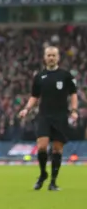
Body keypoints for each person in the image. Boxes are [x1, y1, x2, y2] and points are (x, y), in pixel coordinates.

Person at [19, 46, 78, 191]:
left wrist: (74, 110)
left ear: (58, 57)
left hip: (61, 116)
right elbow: (34, 96)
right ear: (45, 58)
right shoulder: (39, 76)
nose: (51, 58)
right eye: (49, 55)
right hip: (44, 115)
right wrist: (26, 109)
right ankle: (43, 174)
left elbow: (73, 94)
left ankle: (53, 182)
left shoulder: (65, 75)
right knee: (42, 146)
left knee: (57, 149)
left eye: (54, 55)